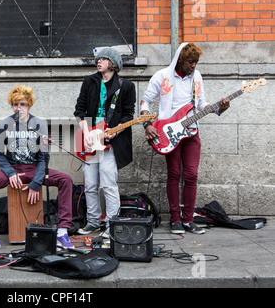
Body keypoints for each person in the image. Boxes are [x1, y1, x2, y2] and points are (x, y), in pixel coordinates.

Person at [140, 42, 230, 235]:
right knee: (173, 174)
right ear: (181, 60)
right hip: (168, 133)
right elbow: (145, 100)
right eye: (191, 62)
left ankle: (188, 220)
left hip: (191, 132)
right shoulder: (162, 76)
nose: (193, 66)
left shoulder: (196, 77)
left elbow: (201, 104)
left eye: (196, 62)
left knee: (191, 175)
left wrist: (217, 109)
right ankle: (175, 220)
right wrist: (147, 125)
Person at [0, 85, 74, 251]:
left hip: (34, 169)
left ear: (29, 105)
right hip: (12, 169)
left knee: (65, 179)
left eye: (22, 104)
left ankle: (62, 231)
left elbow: (44, 157)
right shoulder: (5, 124)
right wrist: (10, 173)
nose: (19, 108)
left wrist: (36, 183)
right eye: (15, 105)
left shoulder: (39, 124)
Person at [74, 47, 136, 237]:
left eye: (103, 58)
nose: (98, 61)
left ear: (114, 63)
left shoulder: (126, 86)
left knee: (108, 184)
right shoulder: (89, 81)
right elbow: (80, 110)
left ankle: (111, 225)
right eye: (97, 59)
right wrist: (87, 133)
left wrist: (115, 132)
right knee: (91, 184)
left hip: (111, 143)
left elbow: (128, 115)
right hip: (90, 140)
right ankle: (93, 221)